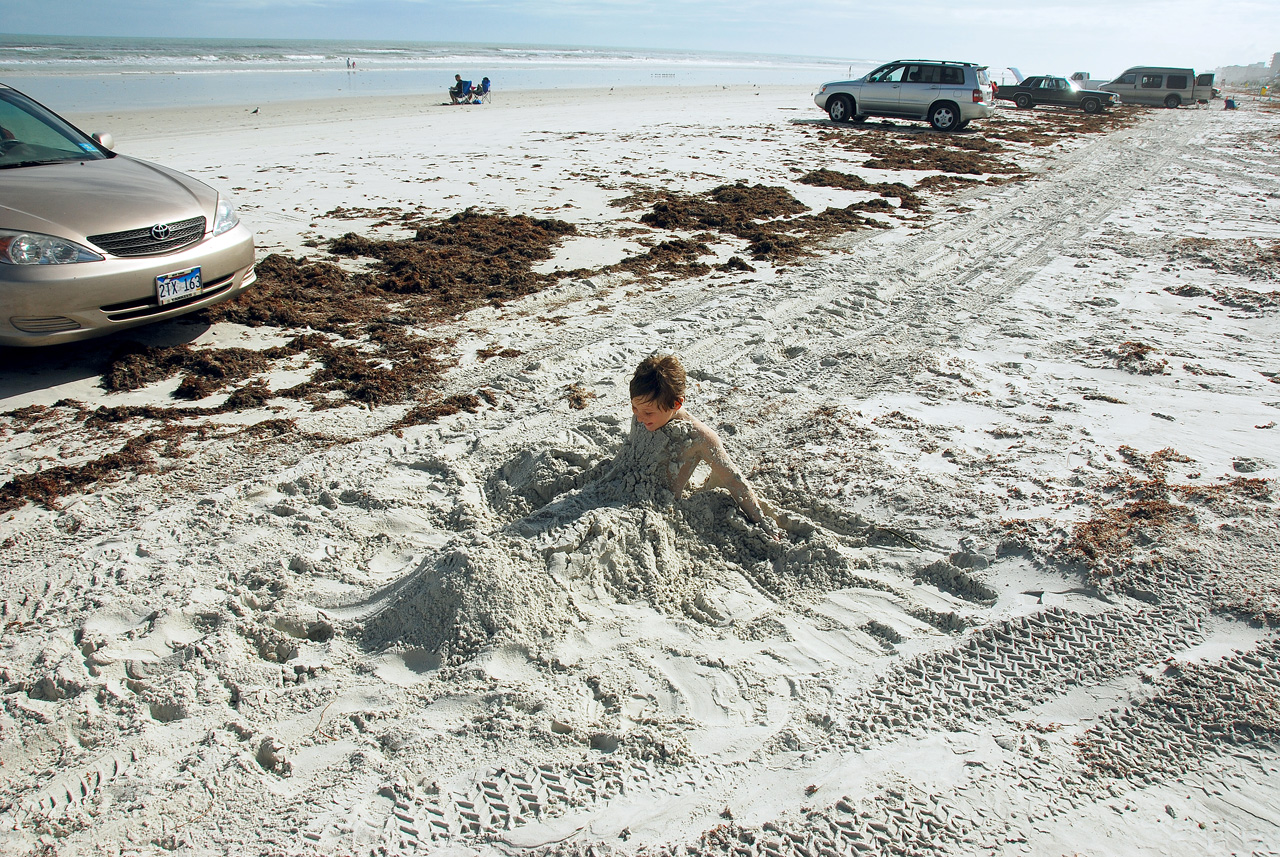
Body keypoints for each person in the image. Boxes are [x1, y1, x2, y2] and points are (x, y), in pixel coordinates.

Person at [628, 354, 780, 536]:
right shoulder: (642, 418)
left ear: (676, 404)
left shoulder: (699, 437)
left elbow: (732, 479)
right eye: (634, 408)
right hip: (622, 490)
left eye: (647, 412)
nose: (639, 416)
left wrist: (760, 520)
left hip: (655, 510)